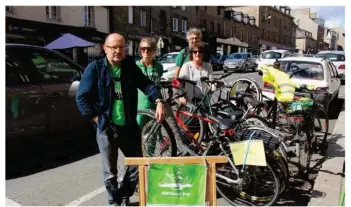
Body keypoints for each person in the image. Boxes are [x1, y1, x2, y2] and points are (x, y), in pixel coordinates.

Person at [75, 33, 165, 206]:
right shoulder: (94, 69)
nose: (117, 50)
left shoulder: (129, 67)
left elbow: (147, 84)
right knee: (110, 172)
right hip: (107, 128)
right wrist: (97, 119)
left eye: (121, 47)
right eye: (113, 47)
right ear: (105, 48)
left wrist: (159, 100)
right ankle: (114, 202)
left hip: (129, 126)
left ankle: (124, 195)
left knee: (137, 166)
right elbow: (81, 98)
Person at [136, 37, 164, 128]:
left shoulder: (159, 66)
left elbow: (158, 83)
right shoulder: (136, 66)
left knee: (152, 134)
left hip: (154, 105)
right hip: (139, 105)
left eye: (148, 49)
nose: (145, 51)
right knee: (137, 132)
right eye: (143, 49)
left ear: (153, 51)